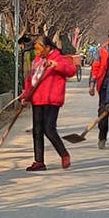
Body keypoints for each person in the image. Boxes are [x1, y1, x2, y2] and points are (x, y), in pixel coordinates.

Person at [23, 35, 77, 171]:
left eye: (39, 49)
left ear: (48, 47)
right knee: (37, 130)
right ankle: (39, 161)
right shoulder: (37, 60)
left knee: (49, 128)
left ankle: (64, 154)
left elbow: (71, 71)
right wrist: (25, 96)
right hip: (37, 98)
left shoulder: (58, 58)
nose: (37, 52)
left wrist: (56, 65)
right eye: (35, 49)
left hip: (52, 99)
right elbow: (30, 80)